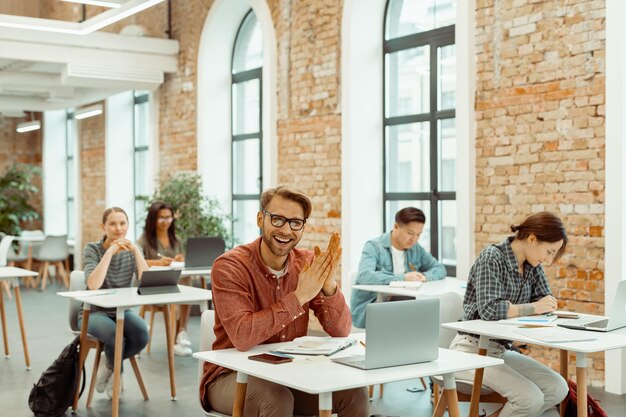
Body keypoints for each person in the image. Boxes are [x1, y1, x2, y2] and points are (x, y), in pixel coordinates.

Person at [200, 186, 369, 417]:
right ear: (261, 218)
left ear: (303, 226)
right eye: (278, 219)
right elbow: (242, 336)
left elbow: (341, 330)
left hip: (289, 373)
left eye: (295, 222)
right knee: (276, 399)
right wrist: (299, 297)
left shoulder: (307, 263)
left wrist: (329, 286)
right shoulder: (230, 266)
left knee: (354, 393)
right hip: (232, 375)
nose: (286, 230)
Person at [449, 212, 569, 417]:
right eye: (549, 252)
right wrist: (534, 308)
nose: (548, 260)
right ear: (532, 239)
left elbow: (546, 301)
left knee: (558, 388)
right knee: (530, 399)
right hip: (469, 351)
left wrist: (541, 306)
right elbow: (490, 310)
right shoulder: (492, 258)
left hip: (500, 350)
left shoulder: (533, 266)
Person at [79, 207, 150, 398]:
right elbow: (93, 284)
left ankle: (109, 364)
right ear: (103, 226)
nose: (118, 228)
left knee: (142, 334)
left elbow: (146, 281)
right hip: (93, 312)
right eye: (112, 223)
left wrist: (136, 251)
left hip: (121, 311)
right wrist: (109, 252)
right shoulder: (92, 249)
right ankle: (117, 374)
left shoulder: (134, 249)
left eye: (123, 223)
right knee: (114, 335)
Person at [350, 207, 446, 328]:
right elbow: (364, 276)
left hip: (400, 305)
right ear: (396, 227)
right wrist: (402, 278)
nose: (414, 239)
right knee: (412, 311)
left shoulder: (415, 248)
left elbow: (439, 268)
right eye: (410, 233)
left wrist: (425, 276)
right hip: (372, 307)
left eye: (418, 234)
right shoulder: (373, 246)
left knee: (427, 309)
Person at [137, 201, 191, 356]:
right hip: (153, 286)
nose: (165, 221)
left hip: (173, 284)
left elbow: (180, 261)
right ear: (153, 219)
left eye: (169, 217)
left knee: (187, 280)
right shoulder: (145, 240)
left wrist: (180, 259)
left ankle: (181, 331)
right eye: (161, 218)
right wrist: (158, 262)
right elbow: (136, 260)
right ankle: (179, 336)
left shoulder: (177, 240)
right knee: (184, 286)